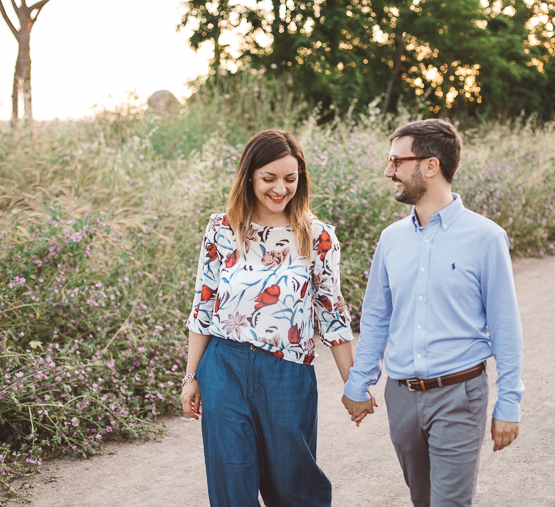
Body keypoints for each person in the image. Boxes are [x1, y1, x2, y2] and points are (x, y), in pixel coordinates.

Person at [342, 119, 524, 507]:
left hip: (459, 394)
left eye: (396, 160)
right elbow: (376, 317)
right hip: (402, 397)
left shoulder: (485, 238)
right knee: (422, 500)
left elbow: (506, 326)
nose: (388, 170)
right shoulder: (391, 240)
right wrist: (359, 383)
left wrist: (508, 402)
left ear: (430, 165)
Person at [181, 130, 357, 507]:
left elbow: (332, 314)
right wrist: (191, 376)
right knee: (231, 482)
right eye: (269, 178)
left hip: (287, 372)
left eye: (290, 178)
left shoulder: (318, 236)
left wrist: (352, 384)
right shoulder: (221, 229)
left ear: (301, 179)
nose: (280, 188)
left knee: (294, 485)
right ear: (249, 177)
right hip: (223, 366)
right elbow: (204, 304)